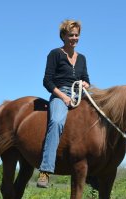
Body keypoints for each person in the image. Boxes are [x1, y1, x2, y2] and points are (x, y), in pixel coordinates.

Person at [37, 19, 90, 188]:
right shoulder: (55, 54)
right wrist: (63, 97)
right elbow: (47, 81)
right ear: (63, 36)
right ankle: (45, 171)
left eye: (77, 35)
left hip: (79, 94)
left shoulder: (82, 58)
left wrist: (85, 84)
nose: (74, 38)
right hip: (60, 94)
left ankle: (94, 168)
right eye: (71, 35)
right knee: (57, 121)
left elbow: (87, 79)